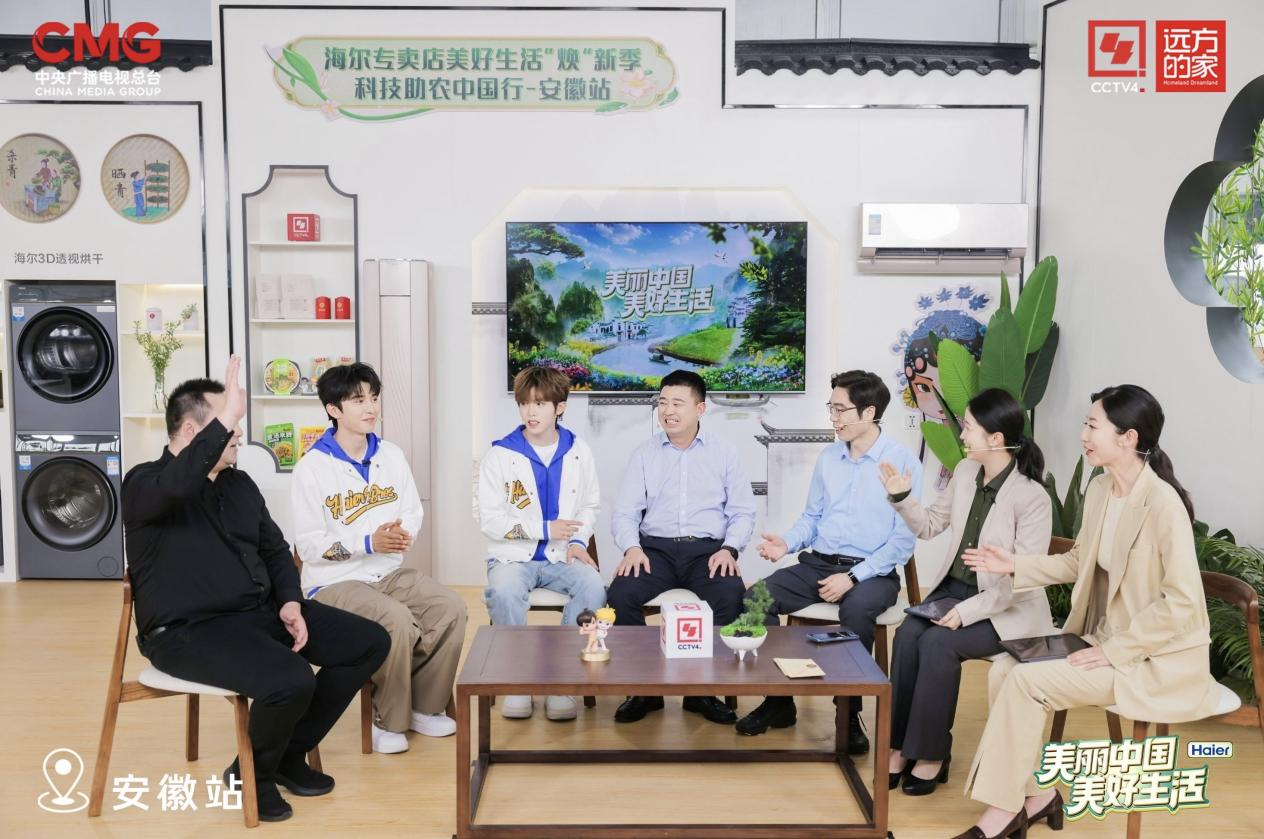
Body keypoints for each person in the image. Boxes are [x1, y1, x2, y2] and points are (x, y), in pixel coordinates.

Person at [123, 357, 389, 823]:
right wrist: (227, 414)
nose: (239, 434)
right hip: (186, 632)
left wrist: (290, 602)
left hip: (257, 615)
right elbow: (178, 486)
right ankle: (253, 775)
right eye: (229, 426)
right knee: (291, 679)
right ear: (193, 432)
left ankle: (286, 753)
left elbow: (275, 550)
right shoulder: (145, 484)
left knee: (368, 642)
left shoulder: (239, 483)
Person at [955, 385, 1221, 839]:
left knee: (1024, 681)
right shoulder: (1100, 490)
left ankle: (1002, 815)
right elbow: (1080, 562)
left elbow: (1182, 602)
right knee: (1003, 669)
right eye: (1085, 423)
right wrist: (1014, 563)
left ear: (1128, 438)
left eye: (1093, 425)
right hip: (1102, 638)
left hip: (1150, 658)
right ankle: (1038, 796)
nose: (1083, 434)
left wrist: (1115, 651)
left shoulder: (1163, 504)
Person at [878, 388, 1054, 796]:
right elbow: (929, 526)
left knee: (938, 643)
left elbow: (1024, 578)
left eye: (969, 427)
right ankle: (899, 746)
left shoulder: (1032, 498)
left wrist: (968, 612)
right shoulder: (965, 473)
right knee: (907, 635)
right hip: (954, 591)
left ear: (996, 438)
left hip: (1006, 608)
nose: (962, 434)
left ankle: (932, 755)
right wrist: (902, 497)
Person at [739, 370, 921, 753]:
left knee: (856, 612)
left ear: (869, 412)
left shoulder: (902, 462)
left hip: (872, 572)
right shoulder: (829, 458)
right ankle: (778, 701)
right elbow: (812, 518)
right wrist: (786, 543)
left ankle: (848, 714)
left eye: (841, 410)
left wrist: (853, 577)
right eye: (831, 408)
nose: (834, 418)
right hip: (818, 564)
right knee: (756, 598)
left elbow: (902, 542)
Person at [292, 362, 467, 754]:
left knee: (450, 607)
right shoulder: (311, 468)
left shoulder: (391, 455)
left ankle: (424, 706)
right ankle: (387, 720)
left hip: (386, 572)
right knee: (396, 620)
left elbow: (412, 511)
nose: (371, 407)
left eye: (373, 398)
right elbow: (310, 546)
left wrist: (401, 534)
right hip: (333, 583)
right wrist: (368, 542)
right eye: (358, 400)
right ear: (333, 409)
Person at [606, 369, 755, 725]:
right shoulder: (644, 454)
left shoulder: (725, 453)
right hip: (653, 551)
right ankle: (644, 689)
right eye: (662, 403)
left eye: (677, 403)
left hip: (708, 552)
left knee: (731, 596)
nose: (667, 411)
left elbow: (743, 512)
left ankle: (701, 691)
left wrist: (730, 549)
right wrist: (631, 548)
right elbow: (625, 513)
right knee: (620, 595)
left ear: (700, 409)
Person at [479, 365, 605, 721]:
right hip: (513, 558)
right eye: (524, 404)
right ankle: (517, 682)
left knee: (594, 589)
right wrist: (546, 528)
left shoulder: (579, 450)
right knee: (504, 592)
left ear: (559, 407)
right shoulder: (500, 454)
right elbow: (490, 521)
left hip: (563, 556)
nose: (530, 412)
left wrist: (578, 540)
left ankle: (561, 680)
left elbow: (590, 505)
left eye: (539, 404)